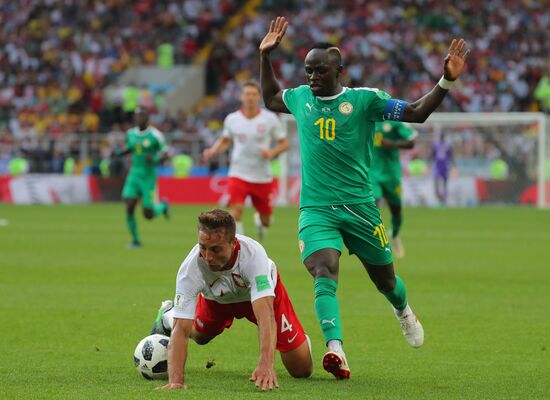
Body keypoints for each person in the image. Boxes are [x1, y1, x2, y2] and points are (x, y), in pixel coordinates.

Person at [259, 16, 468, 379]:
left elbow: (417, 113)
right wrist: (264, 56)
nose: (311, 77)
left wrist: (446, 79)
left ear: (339, 71)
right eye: (308, 70)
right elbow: (270, 97)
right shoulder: (300, 98)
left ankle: (403, 310)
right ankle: (335, 349)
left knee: (386, 281)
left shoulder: (365, 101)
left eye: (319, 71)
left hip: (361, 209)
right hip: (317, 208)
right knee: (323, 269)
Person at [155, 209, 313, 391]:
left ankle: (299, 339)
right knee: (199, 336)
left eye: (215, 249)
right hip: (217, 301)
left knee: (302, 370)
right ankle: (168, 314)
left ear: (233, 243)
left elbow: (265, 317)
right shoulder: (190, 268)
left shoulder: (254, 257)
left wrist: (265, 364)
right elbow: (181, 330)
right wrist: (176, 381)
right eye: (203, 247)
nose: (207, 257)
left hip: (261, 298)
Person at [203, 80, 289, 240]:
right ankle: (241, 246)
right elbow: (226, 140)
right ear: (241, 97)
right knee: (236, 212)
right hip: (239, 173)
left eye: (254, 94)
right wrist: (213, 150)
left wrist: (271, 152)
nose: (250, 97)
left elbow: (284, 144)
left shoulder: (269, 119)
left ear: (259, 97)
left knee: (267, 221)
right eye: (247, 94)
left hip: (262, 176)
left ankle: (259, 220)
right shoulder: (232, 119)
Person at [113, 107, 170, 248]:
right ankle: (135, 240)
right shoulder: (130, 133)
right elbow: (130, 147)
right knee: (129, 204)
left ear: (148, 118)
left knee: (148, 214)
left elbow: (165, 153)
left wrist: (156, 158)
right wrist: (119, 153)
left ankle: (162, 206)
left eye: (142, 116)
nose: (139, 118)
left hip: (148, 177)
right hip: (133, 175)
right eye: (137, 116)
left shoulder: (155, 135)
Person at [372, 121, 418, 258]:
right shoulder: (367, 116)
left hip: (392, 174)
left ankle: (395, 235)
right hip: (372, 172)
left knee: (396, 210)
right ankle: (377, 241)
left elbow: (411, 141)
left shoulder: (394, 122)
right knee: (374, 204)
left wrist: (393, 144)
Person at [432, 132, 453, 206]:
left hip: (445, 165)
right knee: (436, 180)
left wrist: (453, 164)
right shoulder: (436, 145)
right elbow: (433, 154)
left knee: (445, 182)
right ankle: (438, 197)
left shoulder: (448, 145)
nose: (442, 138)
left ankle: (445, 198)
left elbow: (451, 155)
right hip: (438, 165)